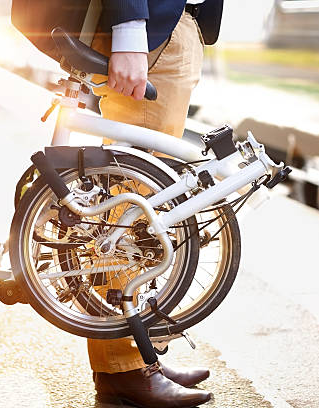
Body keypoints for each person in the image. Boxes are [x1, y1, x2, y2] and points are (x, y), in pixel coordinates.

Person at [87, 1, 223, 407]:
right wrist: (130, 30)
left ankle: (134, 359)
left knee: (139, 212)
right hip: (152, 31)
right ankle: (123, 370)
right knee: (127, 220)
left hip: (169, 27)